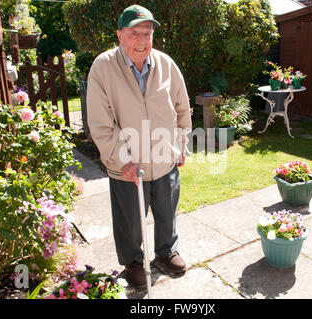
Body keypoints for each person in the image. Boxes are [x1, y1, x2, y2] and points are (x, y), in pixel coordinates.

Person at [87, 4, 192, 289]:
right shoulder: (103, 67)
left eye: (148, 33)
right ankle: (133, 263)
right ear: (120, 35)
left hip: (164, 156)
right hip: (127, 164)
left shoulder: (166, 64)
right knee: (130, 220)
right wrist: (122, 159)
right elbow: (100, 123)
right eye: (135, 33)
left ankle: (166, 252)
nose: (143, 39)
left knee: (167, 210)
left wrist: (181, 144)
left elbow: (182, 107)